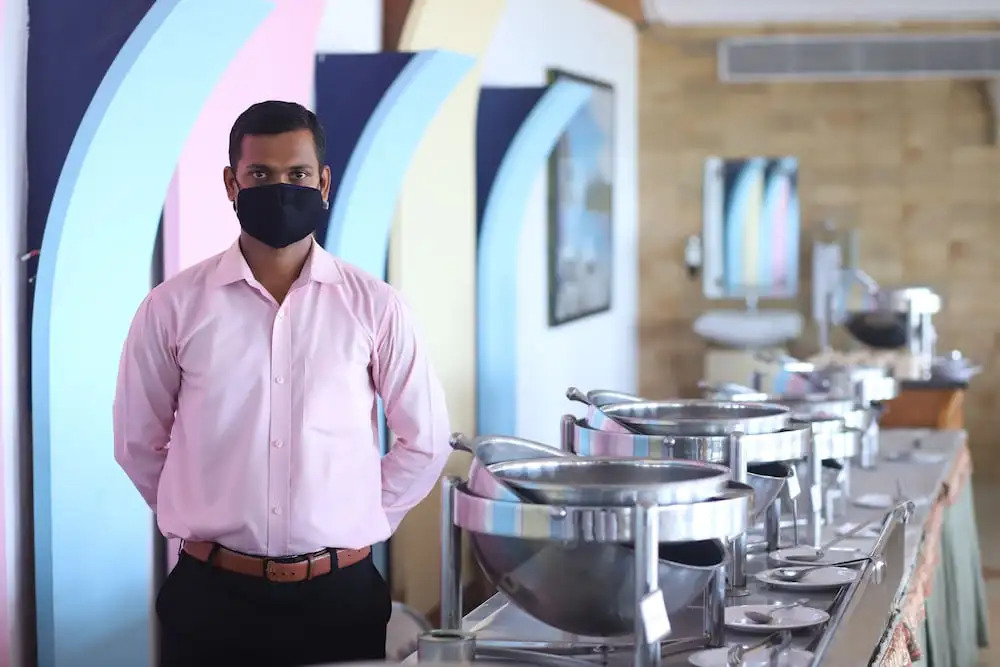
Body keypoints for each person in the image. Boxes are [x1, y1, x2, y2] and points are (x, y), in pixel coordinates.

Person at [113, 100, 452, 666]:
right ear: (232, 184)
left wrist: (360, 517)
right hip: (210, 597)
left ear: (323, 183)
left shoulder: (375, 306)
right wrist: (197, 512)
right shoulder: (172, 307)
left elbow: (428, 440)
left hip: (340, 597)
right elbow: (136, 443)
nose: (281, 189)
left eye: (297, 174)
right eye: (260, 175)